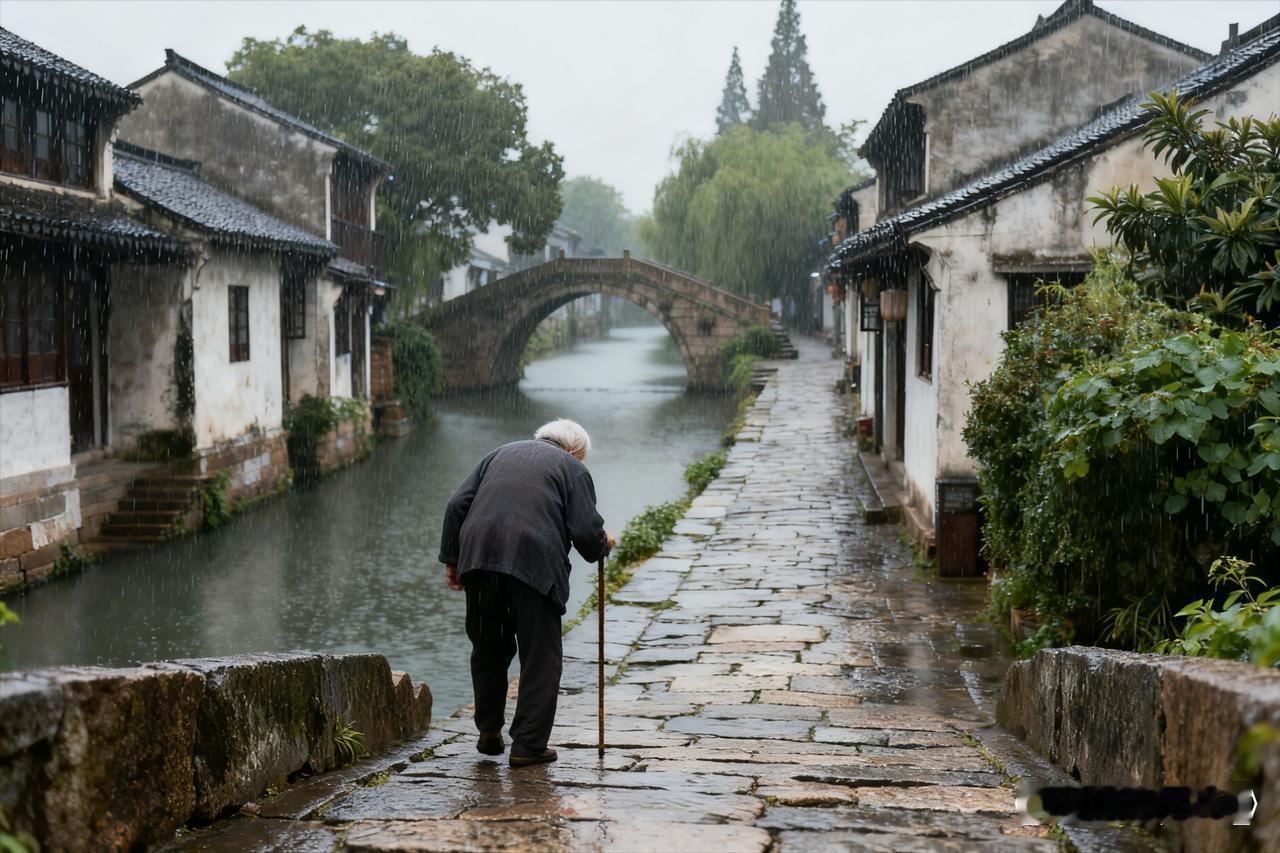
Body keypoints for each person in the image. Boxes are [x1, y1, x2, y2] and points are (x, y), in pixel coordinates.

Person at [439, 419, 614, 768]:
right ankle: (528, 745)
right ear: (575, 451)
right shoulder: (572, 468)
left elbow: (457, 504)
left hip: (480, 560)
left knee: (489, 648)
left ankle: (489, 731)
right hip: (533, 563)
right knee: (540, 657)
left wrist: (452, 561)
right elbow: (586, 532)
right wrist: (602, 543)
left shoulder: (499, 454)